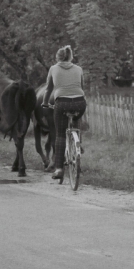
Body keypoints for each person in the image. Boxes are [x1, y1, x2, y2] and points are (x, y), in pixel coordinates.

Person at [42, 45, 86, 180]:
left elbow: (48, 89)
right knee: (76, 124)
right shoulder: (78, 69)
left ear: (58, 57)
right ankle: (78, 143)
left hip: (61, 103)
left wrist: (44, 103)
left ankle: (59, 169)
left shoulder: (53, 69)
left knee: (60, 135)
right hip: (80, 102)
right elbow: (81, 87)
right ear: (70, 56)